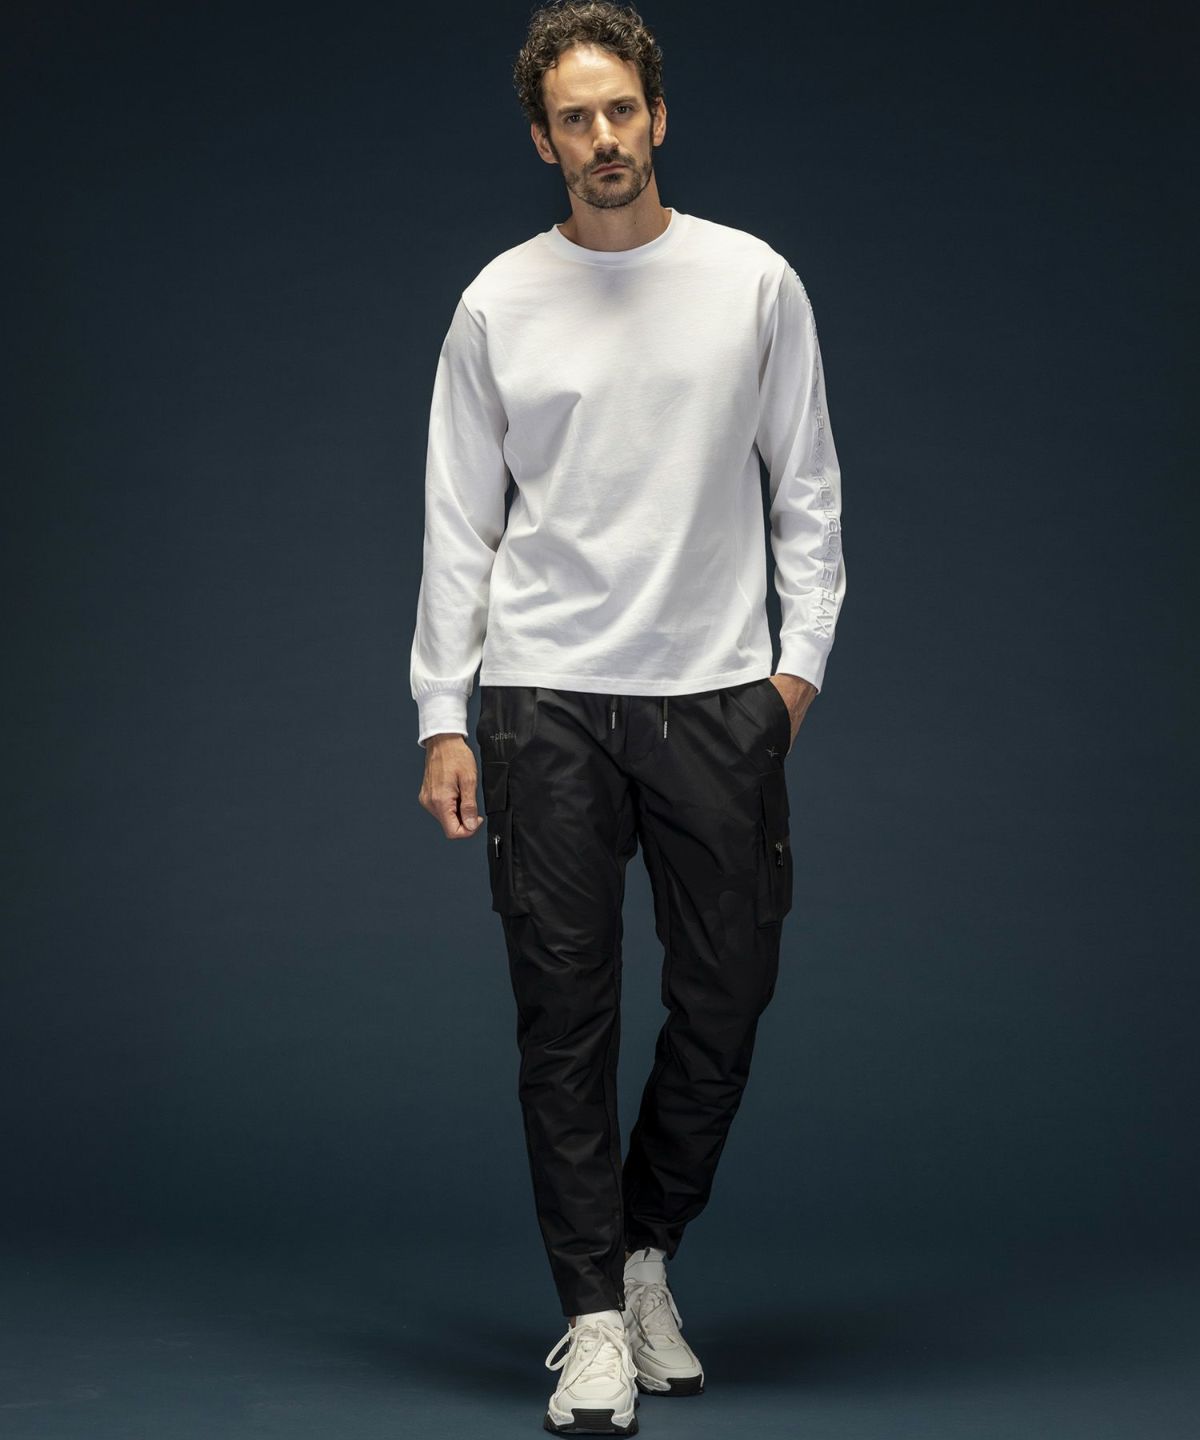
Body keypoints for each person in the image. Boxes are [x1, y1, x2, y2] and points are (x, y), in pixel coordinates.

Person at [410, 3, 846, 1432]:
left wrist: (793, 675)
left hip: (717, 695)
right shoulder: (498, 303)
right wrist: (443, 712)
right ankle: (594, 1316)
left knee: (728, 994)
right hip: (544, 698)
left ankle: (646, 1250)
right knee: (565, 1013)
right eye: (572, 119)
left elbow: (807, 491)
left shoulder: (752, 281)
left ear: (658, 117)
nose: (601, 137)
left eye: (620, 110)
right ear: (542, 141)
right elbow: (460, 524)